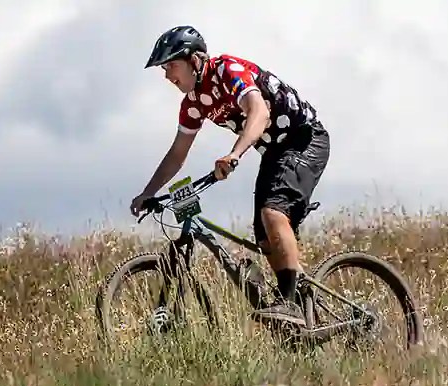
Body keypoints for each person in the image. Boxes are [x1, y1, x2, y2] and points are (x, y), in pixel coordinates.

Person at [130, 25, 330, 331]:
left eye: (171, 66)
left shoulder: (227, 69)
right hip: (275, 152)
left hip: (305, 140)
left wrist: (234, 154)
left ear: (195, 60)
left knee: (273, 213)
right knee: (265, 239)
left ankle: (289, 304)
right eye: (164, 69)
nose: (168, 76)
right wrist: (148, 193)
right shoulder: (193, 105)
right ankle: (301, 310)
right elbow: (177, 153)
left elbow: (259, 112)